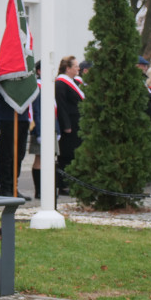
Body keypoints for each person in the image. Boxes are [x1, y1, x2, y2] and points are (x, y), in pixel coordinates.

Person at [0, 70, 32, 199]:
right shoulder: (3, 77)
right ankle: (4, 187)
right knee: (6, 155)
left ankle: (14, 187)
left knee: (18, 155)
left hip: (22, 118)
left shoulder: (26, 78)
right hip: (7, 119)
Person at [55, 55, 84, 195]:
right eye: (75, 66)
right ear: (68, 68)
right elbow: (61, 106)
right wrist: (66, 125)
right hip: (69, 124)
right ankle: (63, 185)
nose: (78, 68)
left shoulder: (74, 82)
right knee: (66, 155)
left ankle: (73, 182)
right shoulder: (61, 83)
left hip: (77, 123)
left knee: (75, 154)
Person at [28, 60, 43, 199]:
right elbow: (36, 110)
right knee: (39, 158)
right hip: (40, 128)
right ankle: (39, 190)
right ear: (38, 71)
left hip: (50, 128)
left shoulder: (47, 86)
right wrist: (38, 131)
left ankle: (47, 189)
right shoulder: (37, 86)